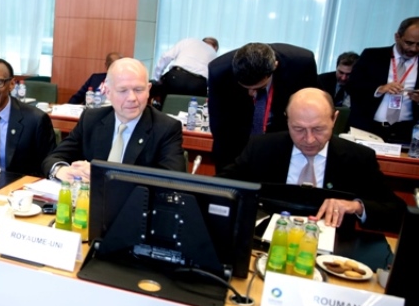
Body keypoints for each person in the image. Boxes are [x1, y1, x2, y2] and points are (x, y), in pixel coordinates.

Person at [220, 88, 405, 233]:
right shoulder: (262, 148)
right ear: (287, 120)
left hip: (333, 255)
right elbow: (219, 186)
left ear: (334, 119)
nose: (309, 139)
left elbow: (397, 211)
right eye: (298, 129)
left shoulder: (358, 158)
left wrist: (356, 206)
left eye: (318, 129)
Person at [44, 58, 186, 181]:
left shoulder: (166, 128)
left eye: (138, 90)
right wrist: (61, 170)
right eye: (123, 90)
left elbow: (172, 181)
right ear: (107, 92)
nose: (132, 98)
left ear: (148, 90)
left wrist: (101, 174)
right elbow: (52, 159)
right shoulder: (91, 119)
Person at [208, 42, 318, 170]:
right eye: (246, 88)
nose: (251, 93)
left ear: (274, 66)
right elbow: (219, 125)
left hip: (281, 140)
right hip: (237, 140)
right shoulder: (219, 71)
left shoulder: (301, 63)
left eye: (258, 88)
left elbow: (310, 108)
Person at [347, 17, 419, 144]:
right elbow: (352, 85)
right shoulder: (372, 56)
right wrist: (379, 89)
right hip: (368, 128)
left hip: (405, 132)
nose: (414, 49)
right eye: (409, 43)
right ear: (397, 37)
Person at [152, 37, 218, 100]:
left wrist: (156, 79)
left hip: (176, 77)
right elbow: (214, 78)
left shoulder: (189, 41)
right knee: (194, 106)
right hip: (198, 84)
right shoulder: (214, 55)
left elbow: (166, 57)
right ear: (215, 48)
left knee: (165, 104)